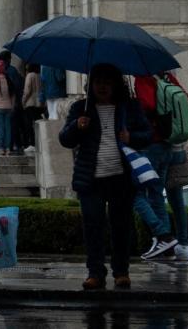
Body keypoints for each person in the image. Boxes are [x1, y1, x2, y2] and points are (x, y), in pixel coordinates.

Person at [59, 63, 151, 290]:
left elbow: (147, 134)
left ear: (116, 85)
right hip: (91, 179)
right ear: (91, 85)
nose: (102, 87)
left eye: (107, 82)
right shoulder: (82, 108)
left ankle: (121, 271)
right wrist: (76, 126)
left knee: (121, 227)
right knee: (93, 226)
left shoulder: (129, 107)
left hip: (121, 178)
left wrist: (131, 138)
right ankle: (95, 272)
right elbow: (64, 139)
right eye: (98, 82)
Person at [130, 72, 188, 261]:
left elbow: (148, 104)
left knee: (139, 192)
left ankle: (164, 238)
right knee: (166, 196)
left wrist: (134, 106)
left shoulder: (143, 77)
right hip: (170, 144)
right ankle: (174, 245)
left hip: (152, 143)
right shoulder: (166, 76)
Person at [0, 51, 23, 154]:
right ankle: (9, 147)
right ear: (8, 59)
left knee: (0, 127)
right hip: (9, 105)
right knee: (9, 127)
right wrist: (14, 103)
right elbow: (17, 89)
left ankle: (0, 147)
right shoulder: (12, 72)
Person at [21, 64, 43, 150]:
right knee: (37, 123)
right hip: (38, 103)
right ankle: (38, 142)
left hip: (30, 103)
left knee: (29, 124)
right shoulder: (39, 75)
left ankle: (31, 143)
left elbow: (27, 90)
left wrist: (23, 101)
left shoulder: (29, 75)